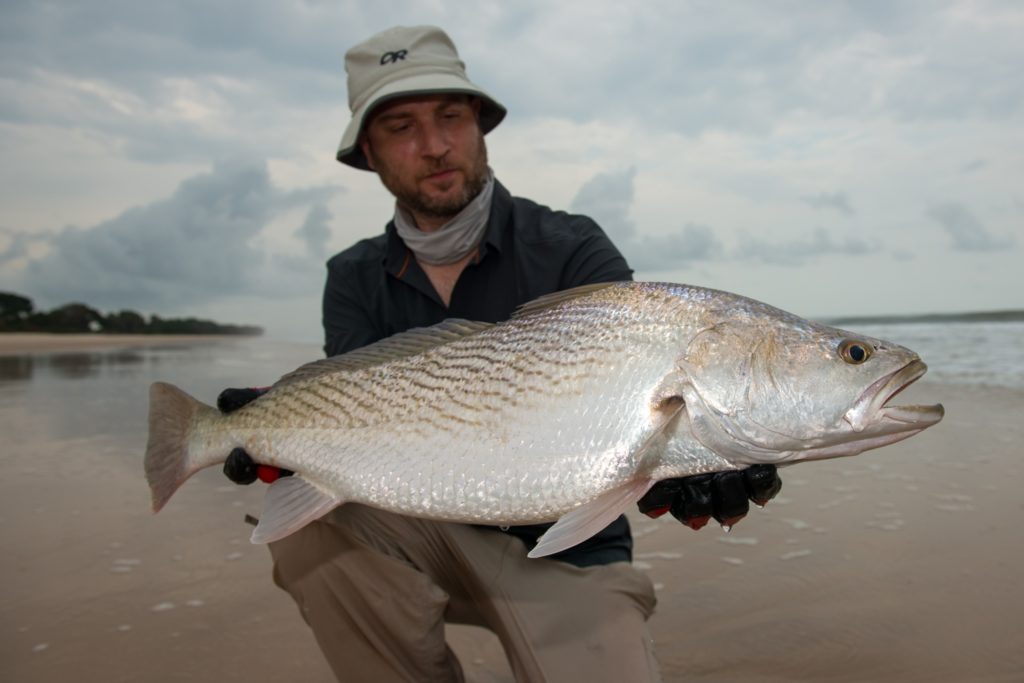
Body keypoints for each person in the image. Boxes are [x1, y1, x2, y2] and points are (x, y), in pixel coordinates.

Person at [219, 25, 781, 682]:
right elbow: (355, 420)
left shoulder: (572, 247)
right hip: (419, 532)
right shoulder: (351, 276)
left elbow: (636, 394)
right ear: (368, 153)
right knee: (308, 535)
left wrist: (688, 455)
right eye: (401, 127)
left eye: (451, 117)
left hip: (570, 547)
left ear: (481, 125)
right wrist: (285, 430)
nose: (434, 146)